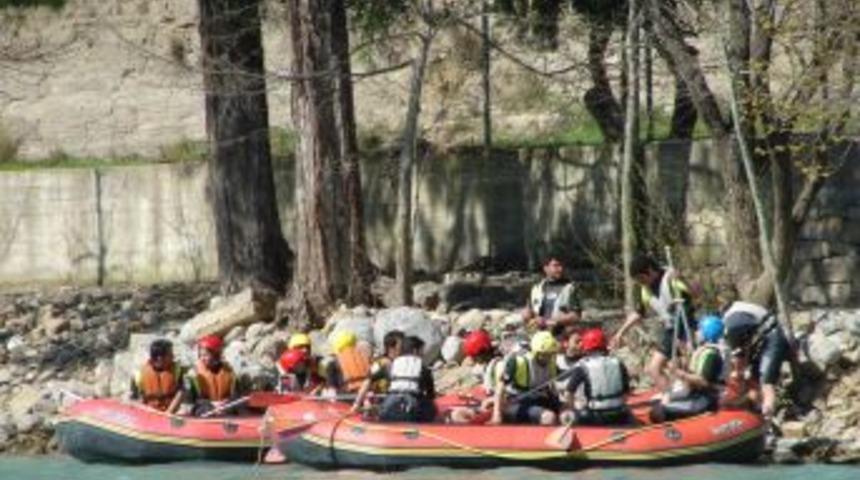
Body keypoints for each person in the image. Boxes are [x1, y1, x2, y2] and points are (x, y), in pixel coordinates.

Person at [611, 254, 697, 391]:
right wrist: (620, 332)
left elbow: (695, 293)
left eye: (641, 278)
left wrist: (683, 279)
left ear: (650, 270)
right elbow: (639, 313)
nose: (640, 283)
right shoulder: (645, 289)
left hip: (686, 328)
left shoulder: (671, 278)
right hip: (670, 330)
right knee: (653, 369)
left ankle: (692, 396)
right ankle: (670, 397)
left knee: (686, 369)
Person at [722, 300, 790, 419]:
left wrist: (738, 372)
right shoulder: (740, 308)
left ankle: (767, 417)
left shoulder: (731, 319)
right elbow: (743, 348)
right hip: (764, 338)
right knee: (754, 379)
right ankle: (756, 411)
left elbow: (739, 352)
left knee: (766, 382)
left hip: (772, 338)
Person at [651, 315, 726, 422]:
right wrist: (682, 358)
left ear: (708, 333)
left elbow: (703, 382)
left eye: (700, 330)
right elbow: (691, 374)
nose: (696, 332)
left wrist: (678, 372)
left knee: (659, 411)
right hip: (695, 395)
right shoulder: (703, 351)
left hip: (706, 399)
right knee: (656, 403)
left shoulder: (711, 355)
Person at [563, 328, 631, 426]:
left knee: (577, 414)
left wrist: (572, 410)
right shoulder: (618, 363)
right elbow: (626, 394)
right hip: (619, 413)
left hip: (595, 416)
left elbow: (568, 394)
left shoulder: (582, 366)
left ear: (587, 347)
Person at [490, 331, 561, 425]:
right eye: (544, 354)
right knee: (549, 417)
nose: (547, 358)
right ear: (535, 352)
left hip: (539, 400)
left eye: (550, 354)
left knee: (567, 414)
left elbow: (555, 388)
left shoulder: (551, 364)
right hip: (516, 402)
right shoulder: (518, 362)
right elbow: (500, 386)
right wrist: (497, 414)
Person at [447, 329, 503, 424]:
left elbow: (505, 393)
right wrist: (473, 398)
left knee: (456, 417)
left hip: (499, 407)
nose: (473, 360)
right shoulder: (488, 365)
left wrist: (494, 409)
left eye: (474, 357)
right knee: (451, 413)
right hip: (491, 405)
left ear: (482, 352)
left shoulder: (499, 366)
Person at [378, 336, 437, 423]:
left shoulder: (392, 364)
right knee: (432, 409)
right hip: (412, 405)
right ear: (415, 351)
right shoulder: (422, 367)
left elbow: (383, 381)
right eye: (422, 351)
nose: (423, 354)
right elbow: (430, 394)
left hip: (390, 404)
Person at [522, 254, 583, 339]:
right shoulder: (536, 288)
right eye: (556, 265)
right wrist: (528, 316)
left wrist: (556, 320)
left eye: (561, 265)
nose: (560, 269)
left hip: (560, 336)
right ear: (546, 268)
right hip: (537, 336)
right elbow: (529, 310)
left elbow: (576, 316)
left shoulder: (570, 288)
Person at [350, 330, 405, 413]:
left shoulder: (403, 362)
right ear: (391, 348)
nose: (405, 348)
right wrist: (357, 404)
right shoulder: (381, 364)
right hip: (383, 403)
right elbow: (367, 381)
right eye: (402, 346)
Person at [184, 335, 238, 416]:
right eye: (201, 355)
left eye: (206, 355)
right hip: (203, 407)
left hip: (225, 407)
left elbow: (236, 395)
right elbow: (190, 401)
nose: (202, 358)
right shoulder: (193, 374)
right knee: (203, 409)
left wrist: (225, 404)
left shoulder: (229, 372)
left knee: (234, 407)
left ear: (217, 355)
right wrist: (212, 404)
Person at [130, 339, 185, 413]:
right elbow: (133, 400)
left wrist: (168, 413)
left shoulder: (177, 370)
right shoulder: (139, 375)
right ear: (159, 358)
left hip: (171, 412)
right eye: (170, 354)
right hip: (148, 413)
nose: (173, 356)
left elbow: (181, 393)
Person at [322, 330, 371, 395]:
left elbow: (332, 389)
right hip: (367, 392)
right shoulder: (364, 357)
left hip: (346, 395)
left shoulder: (332, 364)